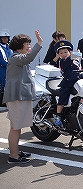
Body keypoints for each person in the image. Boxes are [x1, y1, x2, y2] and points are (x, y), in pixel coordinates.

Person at [3, 30, 43, 164]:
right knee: (15, 127)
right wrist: (39, 43)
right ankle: (13, 156)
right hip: (15, 97)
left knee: (17, 126)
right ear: (19, 45)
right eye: (27, 43)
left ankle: (16, 152)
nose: (28, 46)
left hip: (19, 97)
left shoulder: (19, 58)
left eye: (29, 43)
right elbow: (29, 57)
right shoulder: (16, 57)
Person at [53, 40, 81, 128]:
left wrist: (77, 56)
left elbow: (79, 67)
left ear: (70, 52)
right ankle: (58, 116)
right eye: (61, 53)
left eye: (65, 52)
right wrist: (74, 55)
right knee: (63, 98)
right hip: (67, 82)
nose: (63, 54)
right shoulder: (62, 61)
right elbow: (66, 65)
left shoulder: (75, 59)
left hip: (78, 81)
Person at [0, 29, 12, 95]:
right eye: (3, 38)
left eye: (6, 38)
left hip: (10, 68)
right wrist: (7, 64)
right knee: (2, 82)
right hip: (2, 68)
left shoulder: (10, 47)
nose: (5, 39)